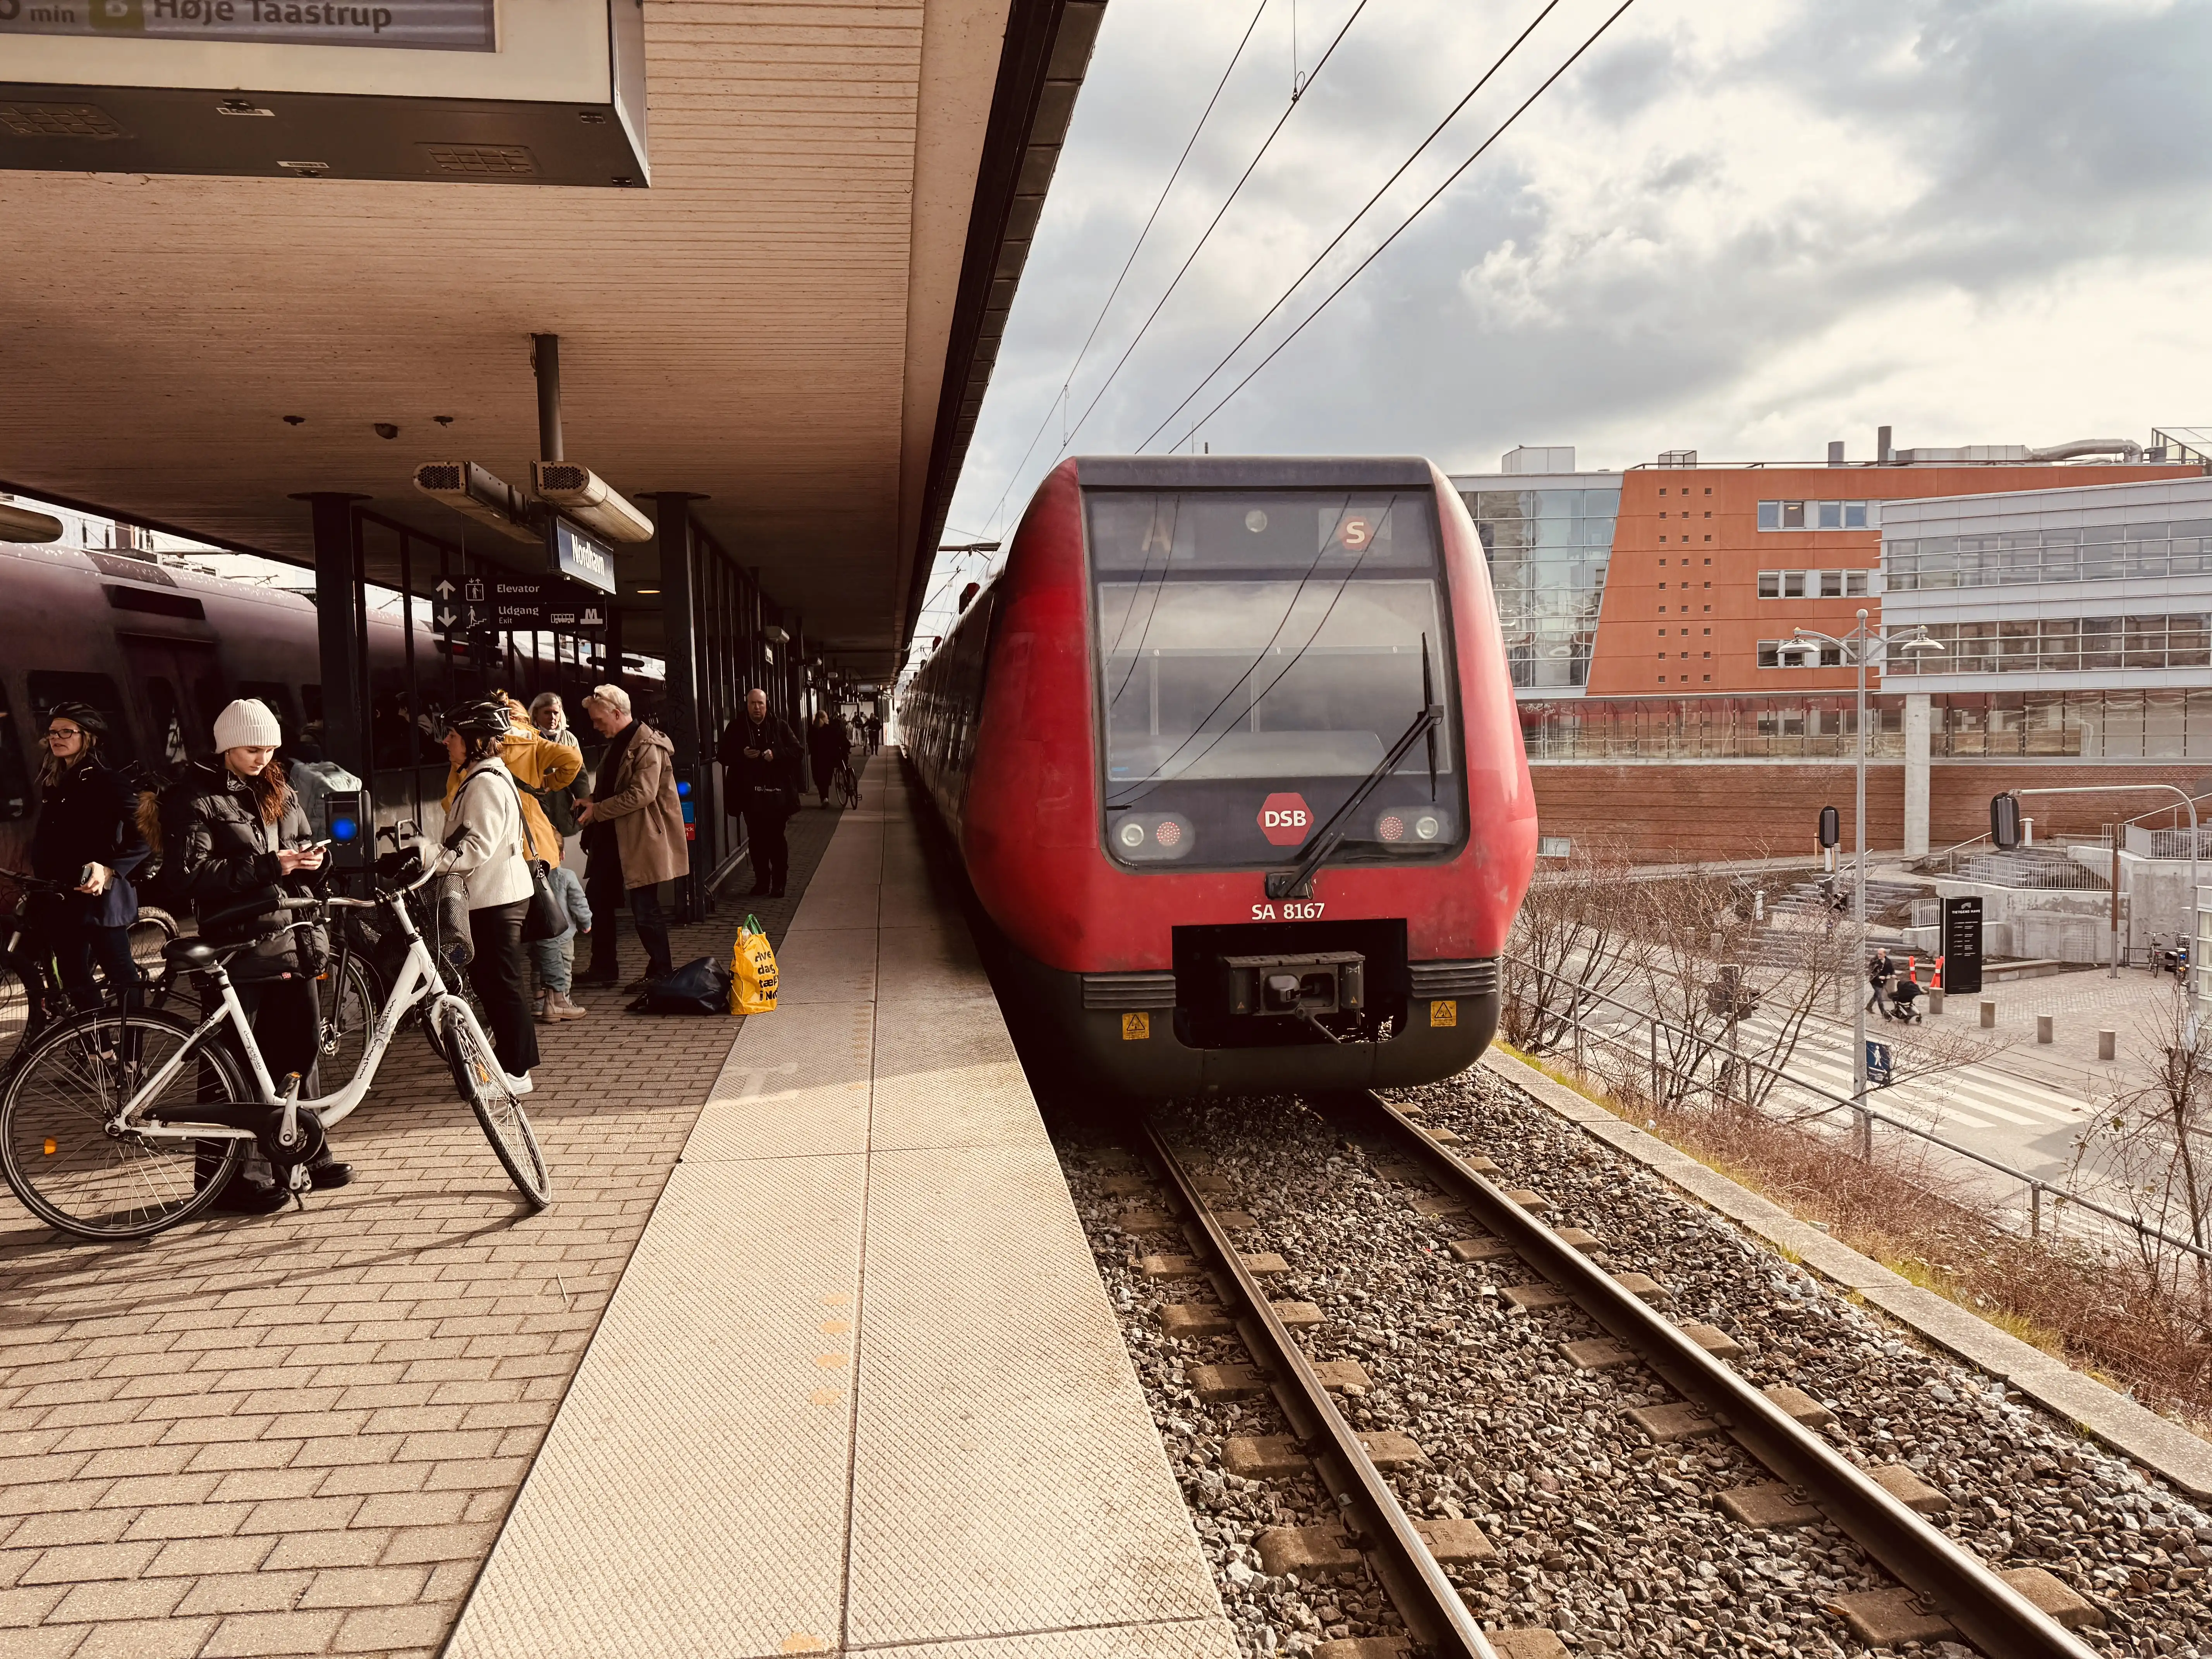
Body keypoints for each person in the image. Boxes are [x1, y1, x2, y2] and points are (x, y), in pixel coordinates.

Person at [159, 698, 347, 1214]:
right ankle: (232, 1179)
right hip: (234, 947)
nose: (263, 756)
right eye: (251, 748)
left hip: (291, 936)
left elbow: (302, 845)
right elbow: (186, 876)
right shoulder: (193, 796)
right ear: (225, 747)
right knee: (235, 1064)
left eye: (270, 747)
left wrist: (314, 862)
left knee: (300, 1050)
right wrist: (270, 867)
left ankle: (305, 1152)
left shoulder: (279, 787)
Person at [440, 699, 542, 1080]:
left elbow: (476, 847)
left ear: (475, 740)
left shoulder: (484, 782)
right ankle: (511, 1061)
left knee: (501, 985)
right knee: (496, 983)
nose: (447, 742)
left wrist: (432, 860)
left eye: (453, 735)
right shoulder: (486, 775)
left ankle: (517, 1071)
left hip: (495, 898)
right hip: (498, 895)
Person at [27, 702, 150, 1015]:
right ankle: (100, 1053)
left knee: (122, 976)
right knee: (74, 976)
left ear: (89, 736)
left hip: (101, 898)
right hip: (63, 896)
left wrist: (111, 870)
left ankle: (133, 1059)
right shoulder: (55, 782)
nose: (57, 737)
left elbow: (148, 835)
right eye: (53, 732)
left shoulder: (108, 780)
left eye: (67, 731)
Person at [575, 684, 688, 991]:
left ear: (616, 713)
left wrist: (598, 810)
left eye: (599, 720)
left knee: (645, 907)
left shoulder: (648, 745)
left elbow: (642, 794)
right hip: (615, 838)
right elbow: (614, 785)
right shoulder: (620, 743)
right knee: (599, 898)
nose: (596, 727)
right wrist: (592, 801)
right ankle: (603, 967)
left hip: (640, 839)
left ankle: (662, 970)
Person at [716, 687, 802, 895]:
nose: (757, 708)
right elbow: (722, 756)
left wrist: (776, 754)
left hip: (776, 794)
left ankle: (779, 882)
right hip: (749, 796)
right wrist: (742, 754)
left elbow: (797, 751)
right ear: (747, 705)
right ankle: (762, 880)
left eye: (761, 704)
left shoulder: (779, 726)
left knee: (776, 838)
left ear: (767, 705)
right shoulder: (737, 727)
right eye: (753, 703)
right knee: (756, 839)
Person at [532, 860, 593, 1022]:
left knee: (539, 965)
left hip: (538, 932)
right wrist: (586, 922)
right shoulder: (567, 875)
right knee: (564, 966)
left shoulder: (530, 876)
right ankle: (562, 999)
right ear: (562, 855)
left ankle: (539, 1002)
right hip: (563, 933)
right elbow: (579, 901)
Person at [526, 692, 589, 845]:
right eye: (547, 713)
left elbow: (580, 775)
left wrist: (584, 800)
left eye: (556, 712)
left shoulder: (569, 738)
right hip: (537, 806)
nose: (553, 717)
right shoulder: (528, 737)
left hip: (562, 806)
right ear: (536, 713)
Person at [808, 709, 850, 809]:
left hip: (816, 758)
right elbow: (839, 739)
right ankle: (826, 798)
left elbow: (809, 743)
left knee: (819, 780)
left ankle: (824, 798)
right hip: (828, 758)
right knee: (826, 779)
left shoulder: (812, 729)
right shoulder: (829, 728)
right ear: (825, 718)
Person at [1865, 946, 1894, 1013]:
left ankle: (1869, 1006)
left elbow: (1891, 969)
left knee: (1876, 995)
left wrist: (1892, 974)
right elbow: (1873, 971)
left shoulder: (1888, 961)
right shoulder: (1875, 961)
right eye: (1878, 954)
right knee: (1879, 996)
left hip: (1883, 982)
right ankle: (1883, 1012)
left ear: (1885, 954)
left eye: (1881, 954)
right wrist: (1879, 976)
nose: (1879, 955)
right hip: (1875, 981)